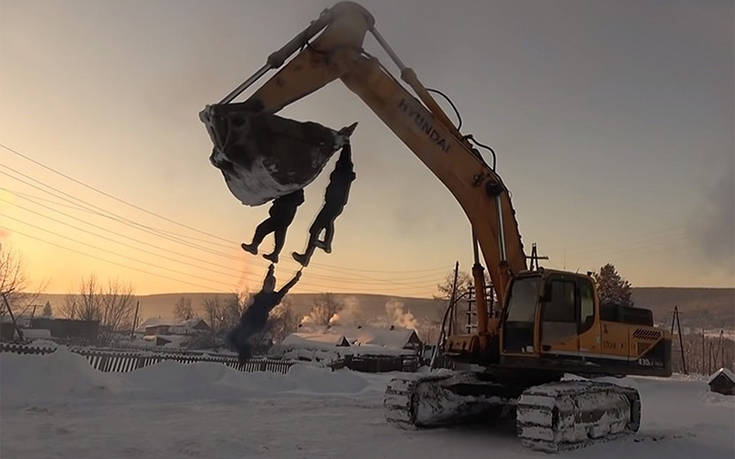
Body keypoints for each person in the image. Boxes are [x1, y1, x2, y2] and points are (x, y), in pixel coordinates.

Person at [292, 144, 356, 267]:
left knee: (327, 221)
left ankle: (326, 244)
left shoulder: (345, 173)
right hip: (331, 203)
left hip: (335, 203)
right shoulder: (342, 172)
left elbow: (346, 158)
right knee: (314, 230)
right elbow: (344, 159)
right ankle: (306, 257)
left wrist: (346, 144)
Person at [226, 264, 302, 361]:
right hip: (248, 318)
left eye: (270, 286)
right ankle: (245, 353)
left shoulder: (275, 297)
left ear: (273, 287)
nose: (267, 287)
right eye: (266, 285)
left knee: (241, 338)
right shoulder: (262, 292)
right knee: (230, 337)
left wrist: (296, 279)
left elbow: (286, 288)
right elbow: (268, 277)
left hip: (257, 322)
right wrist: (271, 269)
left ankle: (245, 355)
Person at [241, 189, 305, 263]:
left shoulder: (295, 187)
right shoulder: (293, 187)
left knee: (266, 229)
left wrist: (284, 198)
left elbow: (300, 200)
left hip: (283, 214)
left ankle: (262, 249)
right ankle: (267, 251)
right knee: (275, 232)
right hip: (282, 214)